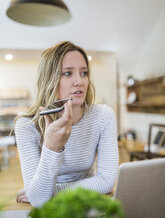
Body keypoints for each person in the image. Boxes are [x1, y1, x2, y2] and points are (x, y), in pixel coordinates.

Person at [15, 41, 119, 207]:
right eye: (68, 73)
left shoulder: (103, 116)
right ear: (49, 78)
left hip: (89, 204)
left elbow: (106, 182)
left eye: (84, 73)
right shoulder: (26, 126)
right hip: (53, 212)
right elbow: (38, 202)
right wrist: (51, 147)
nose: (79, 81)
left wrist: (52, 192)